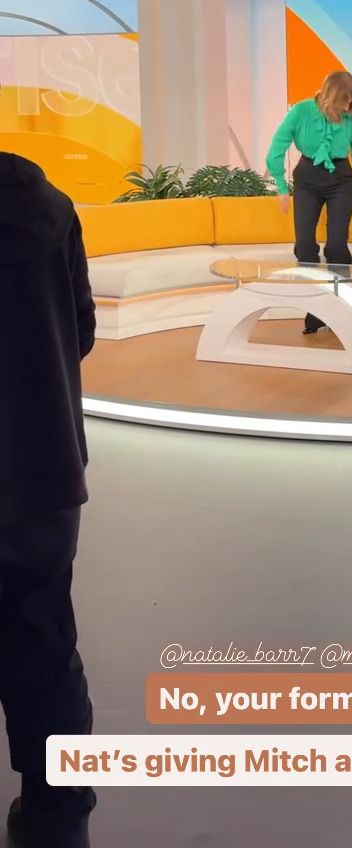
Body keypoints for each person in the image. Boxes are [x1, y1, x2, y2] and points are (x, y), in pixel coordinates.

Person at [0, 153, 97, 846]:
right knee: (44, 643)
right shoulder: (47, 203)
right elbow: (80, 329)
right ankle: (59, 807)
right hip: (41, 465)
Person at [266, 71, 352, 333]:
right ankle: (315, 308)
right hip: (308, 178)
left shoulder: (350, 117)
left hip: (341, 179)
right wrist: (281, 187)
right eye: (346, 101)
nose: (348, 107)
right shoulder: (301, 111)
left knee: (336, 245)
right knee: (304, 245)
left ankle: (343, 308)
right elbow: (277, 146)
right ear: (333, 96)